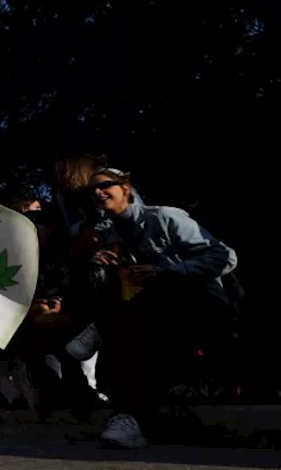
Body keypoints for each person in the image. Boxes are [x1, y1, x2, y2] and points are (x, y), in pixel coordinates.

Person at [85, 168, 236, 449]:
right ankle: (130, 414)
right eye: (91, 189)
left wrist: (167, 271)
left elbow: (224, 256)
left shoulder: (164, 216)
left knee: (139, 325)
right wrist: (101, 265)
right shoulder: (109, 235)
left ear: (126, 189)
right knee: (122, 327)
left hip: (200, 302)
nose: (97, 192)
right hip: (149, 308)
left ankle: (132, 415)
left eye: (105, 185)